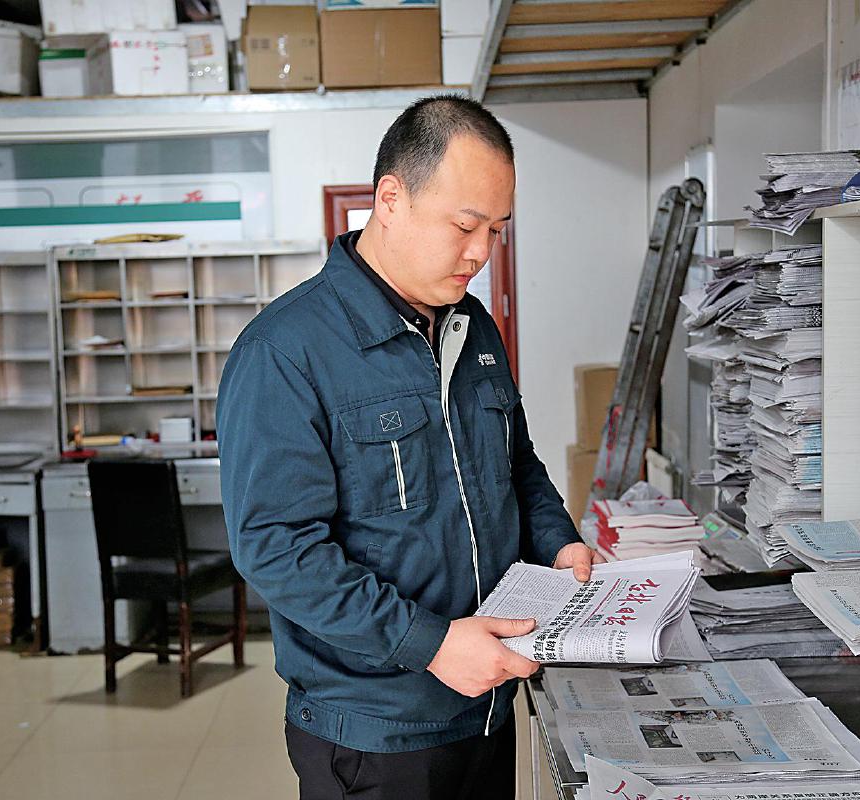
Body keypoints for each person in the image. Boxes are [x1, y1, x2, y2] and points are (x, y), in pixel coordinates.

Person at [217, 94, 604, 800]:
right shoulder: (286, 351)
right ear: (390, 200)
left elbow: (516, 463)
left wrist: (558, 541)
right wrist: (431, 644)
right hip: (375, 734)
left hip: (486, 707)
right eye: (465, 225)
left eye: (496, 231)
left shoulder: (472, 327)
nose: (481, 253)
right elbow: (275, 548)